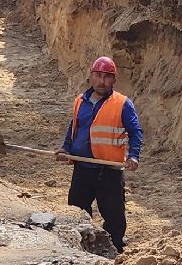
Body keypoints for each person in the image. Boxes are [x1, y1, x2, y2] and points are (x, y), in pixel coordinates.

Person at [57, 56, 142, 252]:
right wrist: (66, 148)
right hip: (82, 168)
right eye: (98, 75)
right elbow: (74, 128)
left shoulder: (122, 104)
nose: (102, 81)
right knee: (77, 212)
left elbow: (136, 131)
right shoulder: (80, 101)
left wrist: (133, 156)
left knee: (114, 217)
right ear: (91, 76)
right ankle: (80, 250)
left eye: (107, 77)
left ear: (114, 80)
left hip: (108, 171)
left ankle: (114, 251)